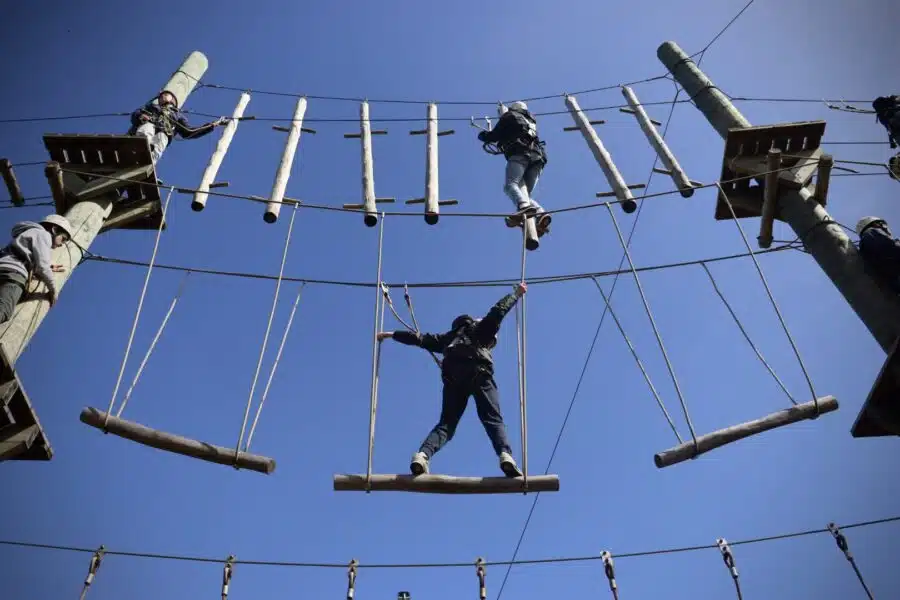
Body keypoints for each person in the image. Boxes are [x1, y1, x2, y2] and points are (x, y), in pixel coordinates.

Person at [377, 282, 528, 478]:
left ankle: (423, 455)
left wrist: (390, 334)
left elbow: (419, 339)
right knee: (492, 418)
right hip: (479, 371)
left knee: (447, 424)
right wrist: (516, 294)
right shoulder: (482, 330)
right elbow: (498, 311)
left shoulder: (447, 339)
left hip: (453, 377)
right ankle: (505, 455)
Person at [477, 102, 551, 237]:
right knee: (524, 194)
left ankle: (524, 207)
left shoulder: (509, 115)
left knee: (510, 185)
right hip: (538, 158)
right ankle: (541, 214)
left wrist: (483, 136)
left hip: (520, 153)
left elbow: (495, 135)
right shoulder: (531, 121)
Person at [0, 215, 73, 324]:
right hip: (14, 273)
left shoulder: (30, 233)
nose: (62, 244)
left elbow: (29, 257)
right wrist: (53, 289)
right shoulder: (44, 234)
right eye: (63, 239)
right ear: (54, 230)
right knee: (4, 311)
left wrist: (46, 267)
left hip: (5, 267)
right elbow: (42, 266)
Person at [128, 90, 228, 164]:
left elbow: (189, 132)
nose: (162, 97)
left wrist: (210, 126)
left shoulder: (178, 116)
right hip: (150, 123)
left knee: (161, 140)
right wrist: (141, 116)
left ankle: (149, 163)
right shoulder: (152, 107)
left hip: (164, 132)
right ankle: (140, 146)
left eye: (165, 95)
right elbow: (136, 114)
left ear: (173, 100)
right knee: (147, 129)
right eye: (161, 96)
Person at [856, 216, 900, 294]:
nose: (887, 229)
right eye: (884, 225)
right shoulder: (870, 233)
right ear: (877, 224)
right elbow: (890, 248)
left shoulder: (867, 241)